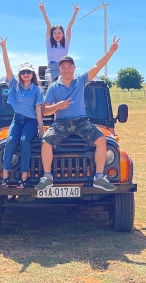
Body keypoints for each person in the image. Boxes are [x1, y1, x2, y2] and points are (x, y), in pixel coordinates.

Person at [36, 37, 121, 193]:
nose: (66, 70)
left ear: (74, 68)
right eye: (63, 67)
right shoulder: (53, 87)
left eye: (69, 67)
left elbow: (97, 66)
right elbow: (45, 110)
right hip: (61, 122)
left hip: (81, 121)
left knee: (102, 140)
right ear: (59, 69)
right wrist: (58, 106)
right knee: (46, 142)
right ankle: (47, 177)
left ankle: (99, 177)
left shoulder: (80, 81)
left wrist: (110, 52)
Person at [0, 37, 45, 189]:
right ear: (20, 74)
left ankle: (24, 176)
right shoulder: (14, 86)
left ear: (32, 74)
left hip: (31, 121)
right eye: (23, 72)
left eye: (28, 72)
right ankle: (5, 174)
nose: (26, 74)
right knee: (10, 140)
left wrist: (41, 127)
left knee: (24, 140)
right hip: (17, 120)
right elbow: (7, 67)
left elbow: (38, 110)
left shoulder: (37, 90)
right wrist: (4, 49)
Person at [39, 1, 80, 82]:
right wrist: (43, 10)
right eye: (55, 33)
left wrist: (75, 12)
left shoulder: (66, 43)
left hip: (63, 69)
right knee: (52, 85)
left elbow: (69, 27)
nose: (57, 35)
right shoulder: (49, 43)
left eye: (59, 33)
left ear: (63, 34)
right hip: (51, 70)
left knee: (65, 84)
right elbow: (48, 25)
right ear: (52, 34)